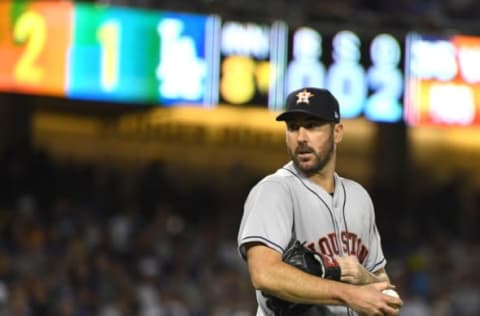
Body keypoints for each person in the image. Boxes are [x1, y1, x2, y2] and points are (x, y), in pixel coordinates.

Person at [237, 87, 403, 315]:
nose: (301, 137)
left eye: (313, 126)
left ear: (337, 132)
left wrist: (364, 278)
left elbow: (389, 297)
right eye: (293, 127)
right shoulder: (275, 190)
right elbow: (264, 274)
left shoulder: (359, 198)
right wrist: (348, 292)